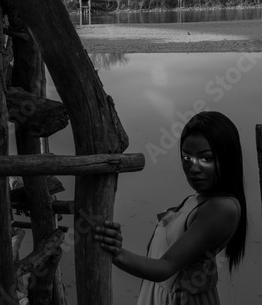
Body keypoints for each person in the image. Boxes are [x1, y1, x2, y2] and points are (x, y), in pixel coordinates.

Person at [94, 111, 247, 305]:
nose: (194, 168)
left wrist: (118, 253)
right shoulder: (196, 199)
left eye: (206, 158)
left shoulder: (222, 208)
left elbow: (165, 267)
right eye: (187, 158)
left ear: (228, 158)